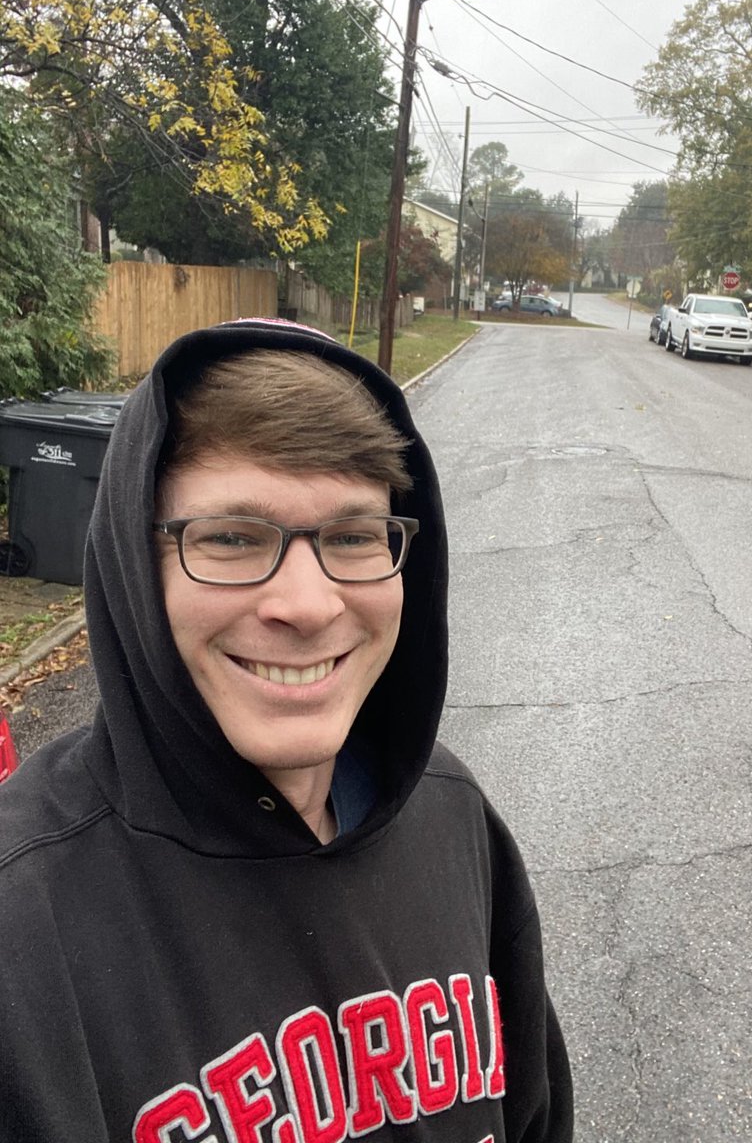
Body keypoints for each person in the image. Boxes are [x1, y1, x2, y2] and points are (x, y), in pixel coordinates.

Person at [0, 319, 573, 1142]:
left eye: (350, 537)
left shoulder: (454, 819)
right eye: (230, 538)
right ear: (133, 564)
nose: (306, 605)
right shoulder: (24, 926)